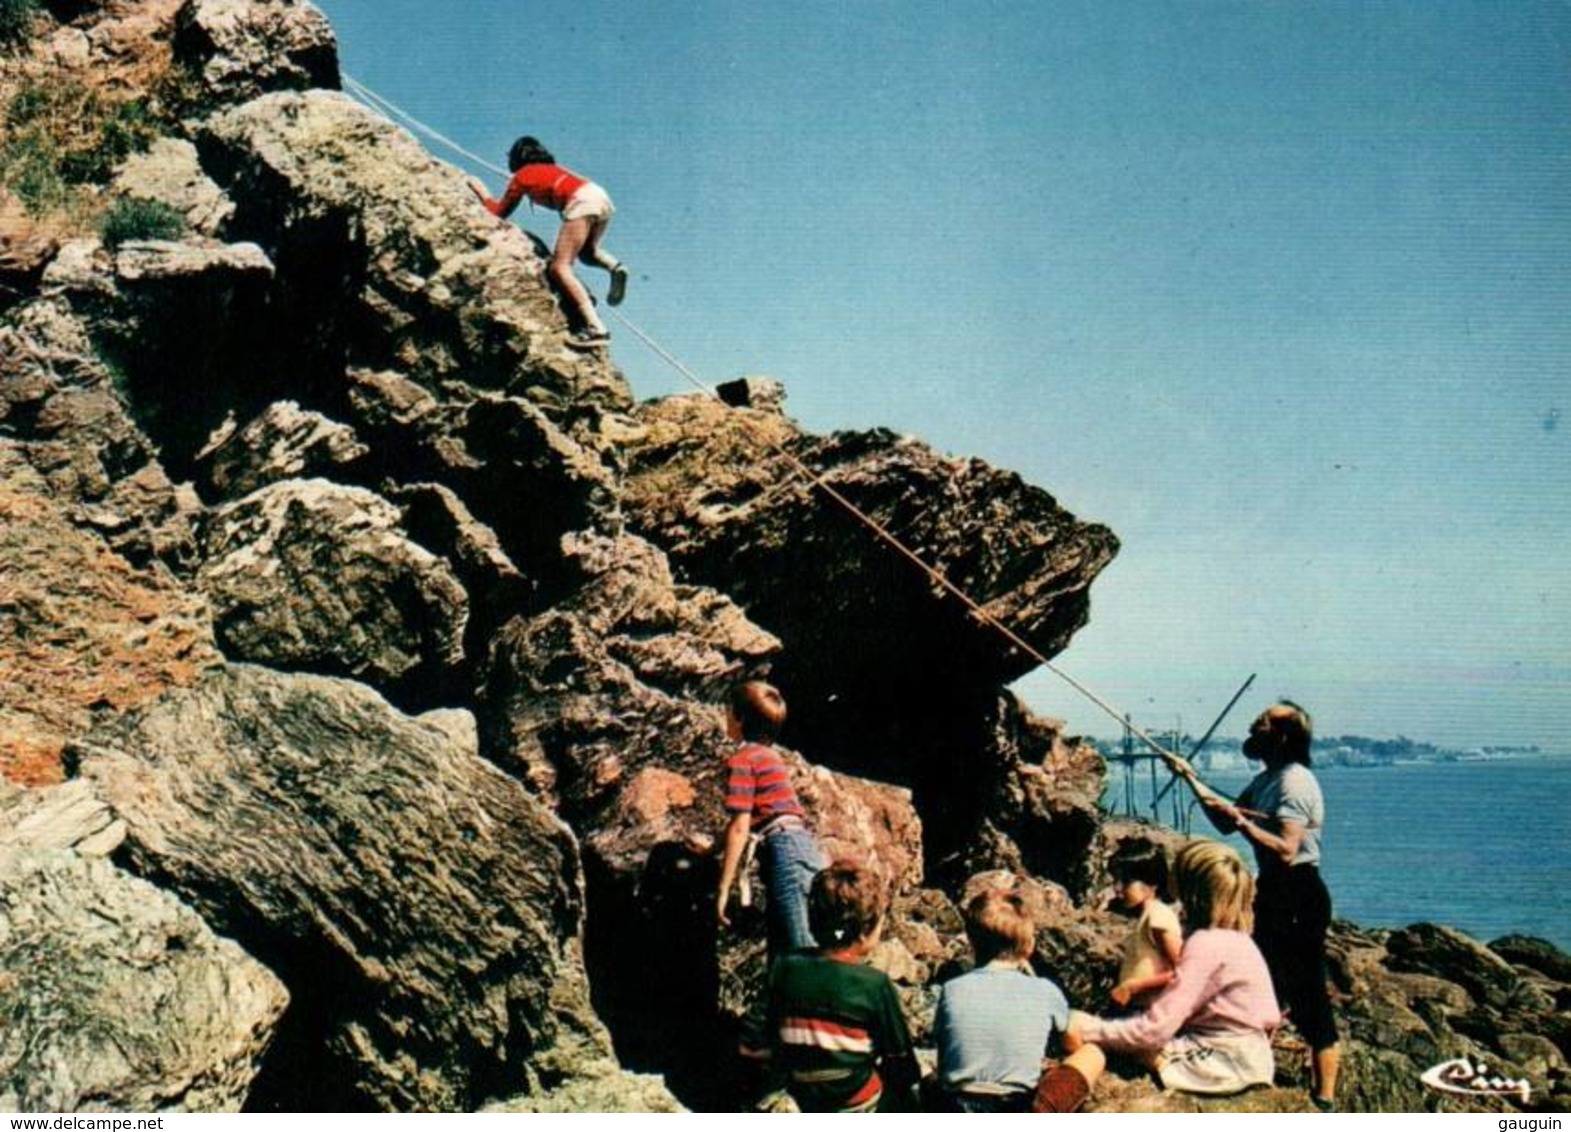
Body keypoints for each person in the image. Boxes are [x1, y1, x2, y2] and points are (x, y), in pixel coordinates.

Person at [1198, 701, 1341, 1111]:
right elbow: (1227, 820)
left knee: (1308, 989)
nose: (1251, 727)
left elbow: (1286, 849)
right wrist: (1191, 780)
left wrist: (1245, 825)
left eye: (1261, 723)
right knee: (1261, 983)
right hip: (1275, 892)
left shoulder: (1294, 783)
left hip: (1298, 891)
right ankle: (1256, 1070)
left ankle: (1325, 1098)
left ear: (1280, 736)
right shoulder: (1268, 778)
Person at [1068, 839, 1281, 1096]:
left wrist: (1090, 1029)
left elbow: (1155, 1030)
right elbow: (1270, 1018)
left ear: (1188, 891)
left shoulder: (1205, 943)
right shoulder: (1243, 942)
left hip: (1221, 1064)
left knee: (1091, 1034)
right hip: (1254, 1059)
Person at [740, 860, 918, 1112]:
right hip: (857, 1099)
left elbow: (749, 1045)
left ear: (812, 922)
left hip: (801, 1094)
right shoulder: (874, 984)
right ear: (867, 931)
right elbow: (901, 1061)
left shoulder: (784, 966)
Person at [933, 886, 1105, 1112]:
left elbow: (945, 1058)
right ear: (1029, 946)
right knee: (1093, 1054)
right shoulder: (1044, 990)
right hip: (1018, 1109)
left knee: (929, 1077)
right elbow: (1071, 1040)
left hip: (957, 1108)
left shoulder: (952, 988)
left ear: (973, 943)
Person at [471, 135, 628, 348]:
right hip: (598, 196)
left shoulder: (522, 176)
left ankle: (596, 329)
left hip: (580, 202)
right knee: (587, 253)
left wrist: (481, 192)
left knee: (559, 267)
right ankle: (615, 267)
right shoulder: (553, 168)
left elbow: (499, 212)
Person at [715, 680, 826, 956]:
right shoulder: (769, 756)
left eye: (728, 710)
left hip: (784, 851)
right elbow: (743, 822)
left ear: (739, 718)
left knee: (801, 949)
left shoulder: (743, 759)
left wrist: (724, 887)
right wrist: (711, 848)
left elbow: (740, 827)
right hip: (800, 847)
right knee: (789, 947)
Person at [1108, 843, 1183, 1011]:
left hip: (1152, 1010)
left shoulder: (1158, 916)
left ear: (1152, 883)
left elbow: (1183, 971)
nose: (1117, 889)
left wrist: (1134, 986)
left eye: (1126, 882)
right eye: (1116, 881)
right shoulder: (1148, 916)